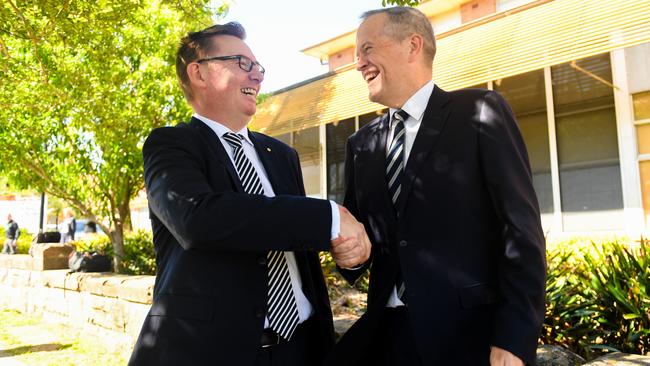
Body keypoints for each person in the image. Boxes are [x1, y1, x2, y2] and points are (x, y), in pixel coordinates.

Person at [128, 22, 371, 366]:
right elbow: (198, 220)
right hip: (211, 353)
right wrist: (329, 217)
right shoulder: (170, 145)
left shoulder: (282, 155)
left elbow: (292, 239)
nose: (257, 76)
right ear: (198, 73)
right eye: (243, 64)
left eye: (258, 67)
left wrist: (349, 248)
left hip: (301, 348)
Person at [329, 7, 546, 366]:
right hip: (387, 341)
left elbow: (521, 233)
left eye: (367, 49)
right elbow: (360, 241)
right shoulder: (360, 144)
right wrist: (351, 255)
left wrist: (514, 337)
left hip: (468, 340)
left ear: (413, 45)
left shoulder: (479, 112)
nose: (358, 64)